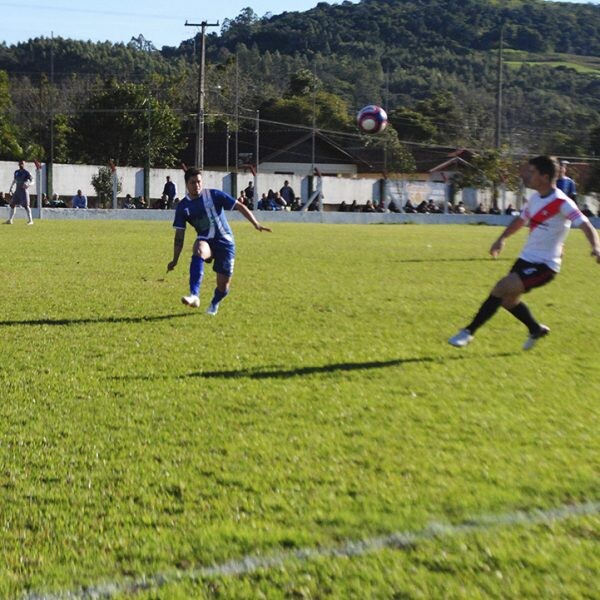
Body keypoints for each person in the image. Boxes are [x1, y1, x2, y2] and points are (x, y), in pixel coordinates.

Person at [449, 155, 600, 351]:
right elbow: (521, 221)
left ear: (544, 177)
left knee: (500, 288)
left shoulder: (562, 202)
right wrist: (502, 238)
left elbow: (586, 225)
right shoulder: (535, 198)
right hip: (526, 259)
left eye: (531, 172)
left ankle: (468, 332)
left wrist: (596, 247)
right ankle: (535, 329)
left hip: (545, 265)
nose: (526, 175)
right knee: (508, 301)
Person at [167, 168, 271, 315]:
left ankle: (215, 303)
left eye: (198, 182)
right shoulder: (183, 207)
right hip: (206, 241)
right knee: (198, 248)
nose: (196, 185)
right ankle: (194, 295)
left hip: (225, 242)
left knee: (223, 286)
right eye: (192, 182)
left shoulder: (214, 195)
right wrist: (175, 260)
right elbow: (179, 236)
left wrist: (256, 224)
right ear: (186, 184)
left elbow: (240, 206)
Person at [4, 160, 33, 225]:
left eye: (22, 163)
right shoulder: (16, 172)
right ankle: (10, 220)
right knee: (12, 204)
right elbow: (15, 180)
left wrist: (28, 185)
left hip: (23, 191)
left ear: (24, 164)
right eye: (20, 163)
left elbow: (32, 180)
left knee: (26, 206)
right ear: (18, 164)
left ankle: (30, 220)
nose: (21, 165)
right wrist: (11, 187)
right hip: (17, 191)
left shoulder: (27, 173)